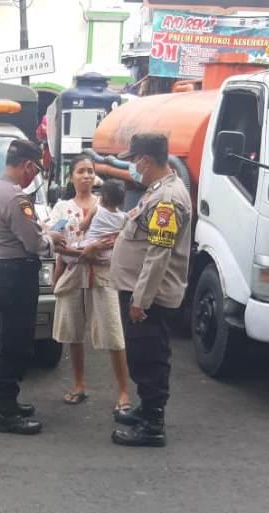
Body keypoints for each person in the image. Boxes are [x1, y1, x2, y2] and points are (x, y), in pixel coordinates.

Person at [109, 133, 192, 447]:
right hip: (140, 292)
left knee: (150, 356)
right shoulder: (157, 192)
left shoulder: (166, 199)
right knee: (142, 354)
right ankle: (146, 410)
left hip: (148, 297)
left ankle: (153, 425)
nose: (133, 166)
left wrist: (140, 300)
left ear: (145, 159)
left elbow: (159, 253)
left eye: (134, 160)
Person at [0, 139, 65, 435]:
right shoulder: (18, 199)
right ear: (28, 165)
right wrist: (52, 239)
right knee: (14, 344)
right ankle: (6, 414)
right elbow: (34, 244)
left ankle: (0, 400)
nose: (35, 176)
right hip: (18, 275)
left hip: (1, 270)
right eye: (36, 170)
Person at [49, 164, 130, 414]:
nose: (86, 175)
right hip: (73, 275)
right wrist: (86, 252)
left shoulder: (107, 206)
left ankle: (124, 391)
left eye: (89, 171)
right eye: (80, 170)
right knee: (74, 333)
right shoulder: (62, 208)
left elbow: (122, 241)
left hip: (104, 277)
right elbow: (56, 242)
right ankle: (79, 384)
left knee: (113, 332)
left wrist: (93, 251)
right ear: (71, 176)